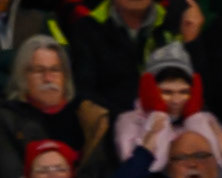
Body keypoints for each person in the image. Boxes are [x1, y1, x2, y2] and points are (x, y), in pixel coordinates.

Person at [0, 35, 110, 178]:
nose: (48, 78)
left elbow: (103, 176)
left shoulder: (90, 116)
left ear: (65, 76)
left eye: (55, 70)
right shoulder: (7, 119)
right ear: (23, 76)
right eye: (39, 71)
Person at [66, 0, 204, 117]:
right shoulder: (87, 28)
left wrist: (191, 42)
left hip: (175, 121)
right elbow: (85, 92)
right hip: (115, 127)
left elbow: (199, 89)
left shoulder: (176, 22)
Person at [112, 44, 222, 173]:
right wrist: (159, 113)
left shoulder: (205, 119)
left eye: (184, 92)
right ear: (150, 89)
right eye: (167, 92)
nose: (176, 100)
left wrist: (193, 117)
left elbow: (215, 167)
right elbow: (150, 167)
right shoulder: (128, 121)